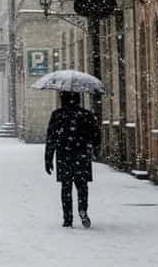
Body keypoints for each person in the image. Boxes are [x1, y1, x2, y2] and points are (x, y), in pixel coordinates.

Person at [45, 91, 100, 228]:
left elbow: (51, 138)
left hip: (64, 156)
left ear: (62, 99)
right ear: (78, 99)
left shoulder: (57, 115)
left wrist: (48, 158)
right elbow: (96, 136)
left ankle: (67, 218)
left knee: (66, 188)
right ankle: (83, 209)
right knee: (82, 187)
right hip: (82, 156)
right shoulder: (87, 115)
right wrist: (91, 146)